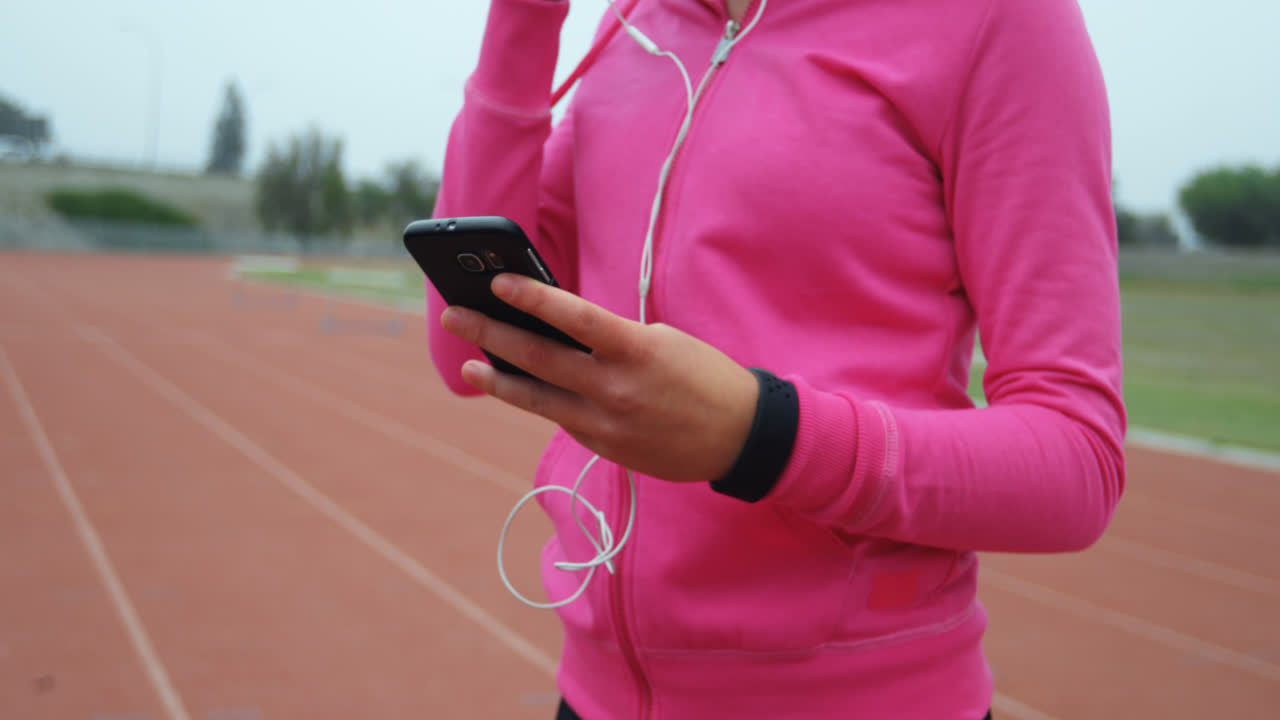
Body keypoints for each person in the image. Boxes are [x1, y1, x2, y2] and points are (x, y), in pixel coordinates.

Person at [424, 0, 1127, 717]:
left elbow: (1077, 461)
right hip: (595, 698)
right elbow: (465, 350)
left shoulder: (1000, 18)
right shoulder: (633, 22)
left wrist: (761, 435)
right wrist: (524, 19)